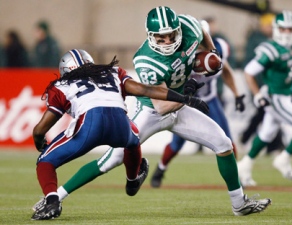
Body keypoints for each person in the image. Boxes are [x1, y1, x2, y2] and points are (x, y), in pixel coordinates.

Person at [33, 6, 271, 217]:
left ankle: (239, 204)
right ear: (150, 36)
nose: (167, 41)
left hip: (180, 104)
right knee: (110, 160)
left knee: (223, 143)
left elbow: (203, 28)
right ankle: (55, 197)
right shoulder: (146, 60)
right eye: (161, 37)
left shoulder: (189, 26)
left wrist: (212, 53)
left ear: (178, 29)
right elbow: (161, 106)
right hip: (152, 112)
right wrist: (187, 97)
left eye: (171, 35)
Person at [31, 48, 208, 220]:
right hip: (120, 123)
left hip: (90, 123)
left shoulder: (62, 85)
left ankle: (53, 201)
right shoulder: (113, 72)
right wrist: (184, 98)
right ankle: (132, 179)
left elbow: (41, 128)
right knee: (133, 140)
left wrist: (39, 142)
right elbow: (145, 90)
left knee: (45, 161)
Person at [150, 19, 246, 188]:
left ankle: (236, 178)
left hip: (210, 99)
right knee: (177, 144)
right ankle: (160, 169)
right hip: (187, 102)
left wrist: (237, 94)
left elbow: (227, 70)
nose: (199, 46)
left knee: (227, 140)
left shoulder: (218, 49)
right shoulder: (179, 53)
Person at [237, 10, 292, 187]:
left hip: (285, 95)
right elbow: (249, 71)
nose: (287, 32)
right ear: (277, 29)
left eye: (291, 29)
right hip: (275, 97)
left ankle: (244, 165)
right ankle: (284, 158)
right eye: (284, 29)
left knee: (266, 133)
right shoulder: (271, 49)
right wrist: (257, 94)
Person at [240, 13, 285, 155]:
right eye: (269, 26)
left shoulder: (268, 39)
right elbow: (251, 67)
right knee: (265, 112)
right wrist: (257, 87)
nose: (271, 29)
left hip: (268, 84)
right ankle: (249, 139)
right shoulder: (257, 40)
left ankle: (271, 144)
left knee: (266, 113)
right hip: (260, 84)